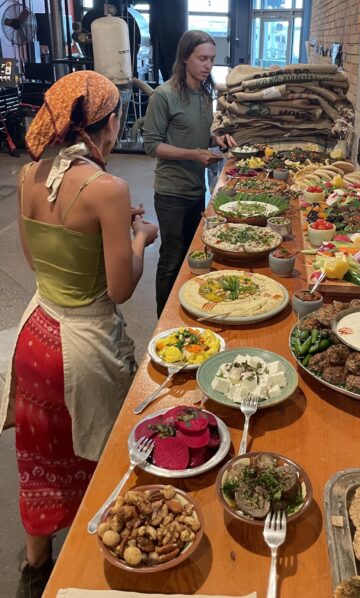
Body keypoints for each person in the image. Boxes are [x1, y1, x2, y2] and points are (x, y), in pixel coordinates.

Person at [0, 70, 158, 598]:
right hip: (82, 348)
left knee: (40, 454)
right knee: (98, 454)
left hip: (36, 335)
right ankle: (95, 571)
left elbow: (35, 260)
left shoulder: (29, 176)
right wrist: (139, 239)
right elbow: (118, 291)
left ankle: (34, 563)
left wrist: (104, 237)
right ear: (106, 123)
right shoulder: (107, 188)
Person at [143, 29, 236, 318]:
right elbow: (151, 145)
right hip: (171, 193)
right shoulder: (163, 95)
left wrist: (215, 140)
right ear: (185, 58)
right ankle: (164, 320)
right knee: (171, 258)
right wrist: (193, 155)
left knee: (190, 257)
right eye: (202, 58)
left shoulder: (203, 93)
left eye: (212, 59)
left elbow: (197, 133)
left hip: (196, 190)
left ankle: (185, 313)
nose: (208, 65)